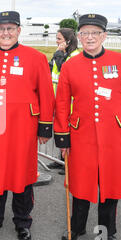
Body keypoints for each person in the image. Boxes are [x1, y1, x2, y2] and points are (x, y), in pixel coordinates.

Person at [54, 14, 121, 240]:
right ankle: (78, 225)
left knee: (110, 185)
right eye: (85, 33)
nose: (89, 37)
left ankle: (107, 231)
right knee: (80, 182)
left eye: (95, 33)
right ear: (79, 36)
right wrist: (62, 136)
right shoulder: (70, 65)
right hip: (81, 134)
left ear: (104, 35)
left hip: (114, 134)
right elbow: (61, 103)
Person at [0, 11, 55, 240]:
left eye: (10, 28)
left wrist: (45, 126)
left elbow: (46, 93)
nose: (5, 33)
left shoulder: (35, 57)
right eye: (1, 29)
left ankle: (22, 221)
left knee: (21, 175)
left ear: (18, 30)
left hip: (22, 128)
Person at [47, 28, 80, 173]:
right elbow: (51, 69)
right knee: (60, 132)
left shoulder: (74, 56)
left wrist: (59, 55)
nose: (57, 41)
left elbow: (62, 69)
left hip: (71, 103)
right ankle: (60, 159)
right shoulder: (61, 54)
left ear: (68, 41)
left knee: (70, 136)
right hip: (57, 100)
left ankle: (68, 162)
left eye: (59, 39)